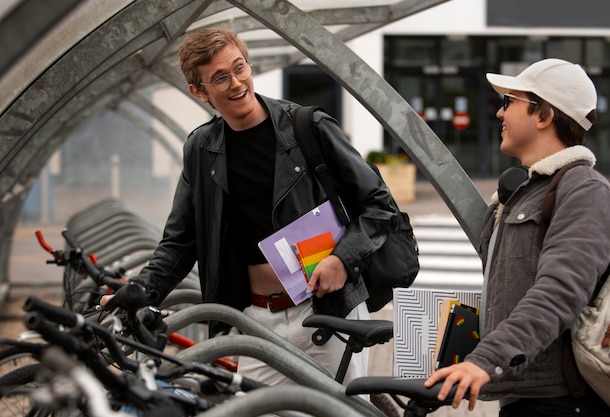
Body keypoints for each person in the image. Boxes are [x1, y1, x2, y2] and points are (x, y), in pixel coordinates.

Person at [103, 28, 395, 386]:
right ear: (199, 91)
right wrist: (139, 293)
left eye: (240, 67)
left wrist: (342, 259)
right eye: (220, 78)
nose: (236, 82)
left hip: (328, 312)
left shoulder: (308, 127)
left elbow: (379, 205)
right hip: (257, 321)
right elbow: (180, 242)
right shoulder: (201, 149)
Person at [425, 58, 610, 416]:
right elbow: (503, 289)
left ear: (544, 116)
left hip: (562, 402)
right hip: (523, 397)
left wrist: (485, 361)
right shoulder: (524, 192)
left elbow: (559, 293)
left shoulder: (584, 191)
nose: (500, 114)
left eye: (509, 103)